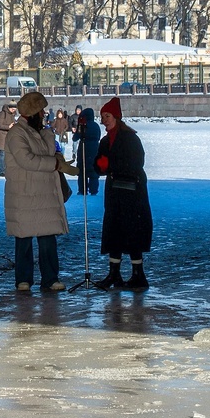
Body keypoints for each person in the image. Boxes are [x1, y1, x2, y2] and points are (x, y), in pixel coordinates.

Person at [5, 92, 74, 292]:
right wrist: (54, 163)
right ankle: (23, 279)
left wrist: (55, 151)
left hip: (44, 195)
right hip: (24, 193)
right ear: (33, 112)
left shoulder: (43, 132)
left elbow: (47, 152)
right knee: (24, 238)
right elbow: (27, 159)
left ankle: (50, 278)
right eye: (41, 110)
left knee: (47, 238)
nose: (44, 113)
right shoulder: (16, 133)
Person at [92, 97, 153, 290]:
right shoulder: (105, 140)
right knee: (114, 231)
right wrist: (99, 167)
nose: (104, 120)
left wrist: (110, 166)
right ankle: (114, 273)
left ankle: (138, 274)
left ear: (116, 116)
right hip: (114, 192)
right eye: (102, 117)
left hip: (132, 193)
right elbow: (99, 165)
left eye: (107, 116)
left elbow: (136, 163)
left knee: (132, 230)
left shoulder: (130, 138)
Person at [75, 107, 101, 195]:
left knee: (82, 171)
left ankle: (83, 190)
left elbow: (75, 137)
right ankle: (94, 190)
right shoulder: (96, 126)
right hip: (95, 149)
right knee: (93, 171)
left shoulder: (83, 125)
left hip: (84, 148)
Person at [0, 102, 18, 176]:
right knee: (2, 154)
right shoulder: (2, 114)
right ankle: (1, 171)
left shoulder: (13, 115)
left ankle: (8, 170)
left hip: (10, 137)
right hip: (2, 137)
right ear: (9, 108)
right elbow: (0, 125)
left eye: (15, 109)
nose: (14, 110)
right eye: (13, 109)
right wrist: (8, 126)